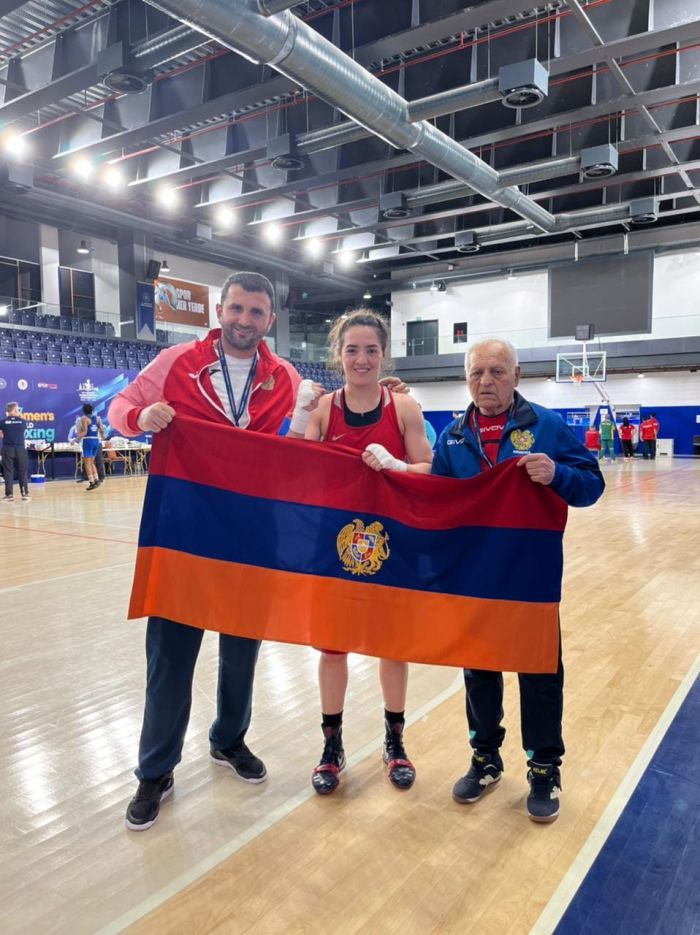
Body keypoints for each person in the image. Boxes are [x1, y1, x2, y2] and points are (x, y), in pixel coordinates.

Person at [108, 271, 323, 832]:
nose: (244, 321)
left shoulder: (286, 377)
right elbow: (121, 407)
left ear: (269, 320)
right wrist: (140, 418)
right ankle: (154, 771)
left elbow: (304, 445)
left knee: (242, 654)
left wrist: (379, 396)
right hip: (185, 537)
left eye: (256, 312)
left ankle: (229, 740)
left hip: (254, 539)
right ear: (219, 310)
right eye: (236, 309)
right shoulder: (177, 362)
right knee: (170, 660)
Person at [431, 338, 604, 822]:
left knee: (540, 674)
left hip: (531, 577)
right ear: (466, 379)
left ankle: (545, 767)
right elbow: (438, 504)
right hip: (476, 580)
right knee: (479, 672)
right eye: (477, 373)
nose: (486, 382)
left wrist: (558, 476)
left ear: (517, 375)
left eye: (496, 372)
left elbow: (592, 485)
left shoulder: (546, 426)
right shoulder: (452, 437)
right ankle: (485, 758)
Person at [304, 310, 433, 795]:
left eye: (371, 350)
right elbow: (295, 472)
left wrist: (399, 465)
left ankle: (395, 742)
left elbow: (428, 468)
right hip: (333, 547)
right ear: (339, 355)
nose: (361, 359)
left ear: (384, 355)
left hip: (391, 544)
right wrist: (300, 416)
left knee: (392, 646)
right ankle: (331, 746)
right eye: (352, 349)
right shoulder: (321, 409)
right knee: (332, 648)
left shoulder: (403, 408)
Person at [0, 402, 30, 502]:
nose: (18, 411)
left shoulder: (2, 422)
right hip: (20, 449)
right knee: (22, 472)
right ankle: (24, 494)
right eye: (17, 409)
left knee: (8, 472)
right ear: (15, 410)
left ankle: (9, 495)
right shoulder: (22, 421)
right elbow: (22, 432)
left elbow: (1, 435)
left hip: (7, 449)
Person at [76, 404, 104, 490]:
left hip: (88, 441)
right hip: (96, 441)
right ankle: (97, 479)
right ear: (92, 410)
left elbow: (85, 432)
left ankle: (91, 482)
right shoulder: (98, 418)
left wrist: (76, 439)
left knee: (87, 463)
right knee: (92, 462)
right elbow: (102, 430)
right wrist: (102, 436)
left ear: (84, 411)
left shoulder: (84, 418)